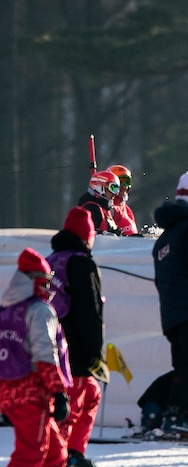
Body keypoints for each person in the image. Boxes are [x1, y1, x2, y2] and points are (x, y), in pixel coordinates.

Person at [144, 171, 188, 437]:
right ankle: (180, 414)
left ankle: (155, 408)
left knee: (184, 366)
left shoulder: (163, 239)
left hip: (171, 314)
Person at [0, 248, 71, 467]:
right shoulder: (40, 310)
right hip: (32, 390)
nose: (49, 288)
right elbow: (45, 353)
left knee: (55, 453)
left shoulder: (5, 311)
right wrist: (58, 391)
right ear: (35, 280)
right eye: (46, 281)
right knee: (31, 453)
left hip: (7, 390)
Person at [46, 206, 106, 467]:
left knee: (90, 394)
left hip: (47, 347)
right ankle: (63, 458)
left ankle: (73, 453)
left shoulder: (49, 261)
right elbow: (88, 311)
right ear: (87, 237)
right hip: (75, 352)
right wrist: (95, 352)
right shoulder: (81, 263)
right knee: (74, 404)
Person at [77, 170, 122, 236]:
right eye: (113, 188)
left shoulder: (105, 209)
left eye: (117, 189)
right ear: (100, 187)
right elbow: (87, 235)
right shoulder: (91, 209)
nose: (115, 193)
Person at [107, 164, 139, 236]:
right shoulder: (107, 208)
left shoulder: (127, 209)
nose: (124, 186)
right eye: (120, 182)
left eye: (126, 181)